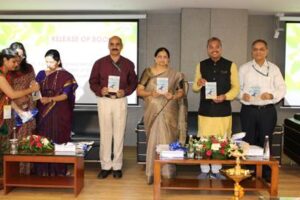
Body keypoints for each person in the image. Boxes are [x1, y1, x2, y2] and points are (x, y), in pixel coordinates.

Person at [89, 36, 138, 179]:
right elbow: (93, 82)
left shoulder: (128, 64)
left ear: (121, 46)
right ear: (108, 46)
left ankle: (117, 166)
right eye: (112, 44)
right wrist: (100, 89)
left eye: (117, 44)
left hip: (120, 101)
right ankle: (105, 166)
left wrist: (126, 91)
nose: (114, 46)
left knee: (118, 134)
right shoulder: (99, 63)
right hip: (104, 101)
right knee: (105, 134)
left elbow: (133, 83)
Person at [137, 47, 187, 184]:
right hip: (152, 110)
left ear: (168, 59)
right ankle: (151, 172)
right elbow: (139, 91)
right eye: (159, 56)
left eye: (165, 57)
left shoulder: (176, 74)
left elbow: (181, 92)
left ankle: (167, 171)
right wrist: (150, 94)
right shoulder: (147, 72)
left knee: (167, 139)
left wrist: (173, 96)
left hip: (169, 110)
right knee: (153, 141)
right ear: (155, 58)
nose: (162, 59)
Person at [192, 37, 240, 179]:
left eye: (217, 46)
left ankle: (217, 169)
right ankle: (205, 170)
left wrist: (225, 96)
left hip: (223, 111)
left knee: (221, 141)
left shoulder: (231, 65)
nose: (214, 49)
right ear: (207, 49)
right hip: (205, 111)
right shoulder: (201, 65)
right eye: (211, 47)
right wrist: (199, 83)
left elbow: (236, 88)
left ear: (221, 48)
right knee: (204, 141)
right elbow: (195, 87)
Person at [239, 39, 286, 180]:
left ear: (267, 51)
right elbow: (237, 89)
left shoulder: (274, 69)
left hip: (267, 111)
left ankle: (266, 174)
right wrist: (243, 95)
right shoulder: (244, 68)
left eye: (261, 49)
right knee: (249, 141)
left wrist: (271, 95)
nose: (258, 52)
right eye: (255, 49)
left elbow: (282, 88)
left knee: (266, 141)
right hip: (249, 110)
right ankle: (250, 172)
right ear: (252, 51)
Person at [34, 49, 78, 176]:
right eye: (46, 62)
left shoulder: (66, 76)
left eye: (51, 62)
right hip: (43, 112)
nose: (48, 64)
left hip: (60, 112)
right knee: (43, 139)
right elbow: (35, 91)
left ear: (58, 61)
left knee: (58, 139)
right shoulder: (41, 74)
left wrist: (50, 99)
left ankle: (59, 171)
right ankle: (42, 171)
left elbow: (65, 95)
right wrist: (37, 96)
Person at [0, 48, 39, 176]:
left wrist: (20, 112)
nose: (16, 65)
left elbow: (6, 98)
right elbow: (12, 94)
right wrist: (31, 89)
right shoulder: (0, 76)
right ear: (4, 60)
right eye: (13, 61)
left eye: (17, 62)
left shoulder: (6, 75)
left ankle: (5, 178)